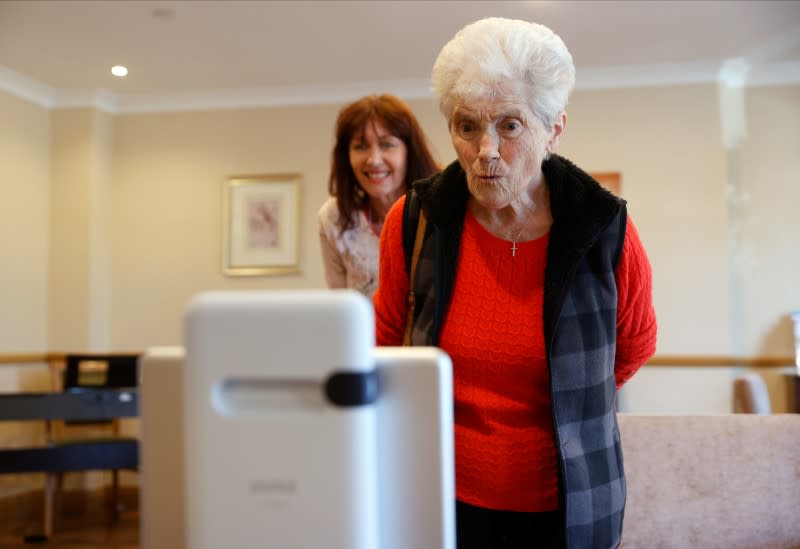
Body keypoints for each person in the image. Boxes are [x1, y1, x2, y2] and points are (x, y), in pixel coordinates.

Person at [374, 17, 657, 549]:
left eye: (509, 125)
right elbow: (386, 339)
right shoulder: (415, 220)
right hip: (439, 494)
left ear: (554, 129)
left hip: (568, 504)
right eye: (466, 126)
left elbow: (635, 343)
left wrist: (574, 404)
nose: (486, 151)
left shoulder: (603, 228)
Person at [318, 94, 439, 298]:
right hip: (366, 330)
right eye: (361, 146)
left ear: (409, 151)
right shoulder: (334, 218)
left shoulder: (442, 205)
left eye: (387, 144)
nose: (374, 160)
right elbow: (339, 304)